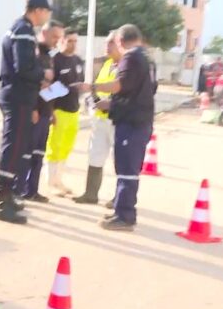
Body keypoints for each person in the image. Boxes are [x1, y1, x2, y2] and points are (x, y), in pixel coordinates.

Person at [76, 24, 157, 231]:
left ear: (120, 41)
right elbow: (140, 91)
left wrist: (93, 87)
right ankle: (122, 210)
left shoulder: (130, 57)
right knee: (126, 169)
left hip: (131, 122)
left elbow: (120, 85)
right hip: (138, 120)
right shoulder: (147, 58)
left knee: (127, 170)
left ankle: (125, 216)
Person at [0, 0, 53, 224]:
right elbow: (24, 67)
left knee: (16, 148)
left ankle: (9, 196)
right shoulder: (24, 30)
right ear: (38, 10)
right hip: (18, 97)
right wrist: (43, 74)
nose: (47, 16)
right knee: (13, 147)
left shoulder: (21, 28)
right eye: (47, 11)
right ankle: (3, 201)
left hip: (18, 96)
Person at [16, 20, 64, 203]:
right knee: (27, 154)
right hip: (34, 111)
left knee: (38, 154)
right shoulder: (34, 53)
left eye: (59, 38)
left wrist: (51, 112)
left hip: (45, 112)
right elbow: (30, 83)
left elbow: (48, 86)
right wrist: (33, 108)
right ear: (44, 33)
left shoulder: (49, 55)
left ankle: (32, 190)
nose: (56, 41)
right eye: (54, 37)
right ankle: (19, 190)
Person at [74, 31, 122, 205]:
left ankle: (119, 197)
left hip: (117, 119)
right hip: (100, 118)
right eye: (106, 43)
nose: (107, 47)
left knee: (120, 159)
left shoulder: (125, 66)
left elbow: (123, 91)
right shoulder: (107, 64)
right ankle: (90, 193)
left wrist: (109, 104)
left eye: (111, 44)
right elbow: (98, 88)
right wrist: (93, 99)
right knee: (95, 155)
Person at [45, 28, 84, 195]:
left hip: (74, 110)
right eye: (70, 41)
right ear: (62, 41)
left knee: (67, 146)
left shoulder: (78, 60)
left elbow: (79, 83)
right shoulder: (54, 60)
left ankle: (59, 179)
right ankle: (51, 180)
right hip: (58, 110)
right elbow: (46, 89)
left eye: (75, 41)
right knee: (55, 146)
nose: (73, 45)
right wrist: (51, 111)